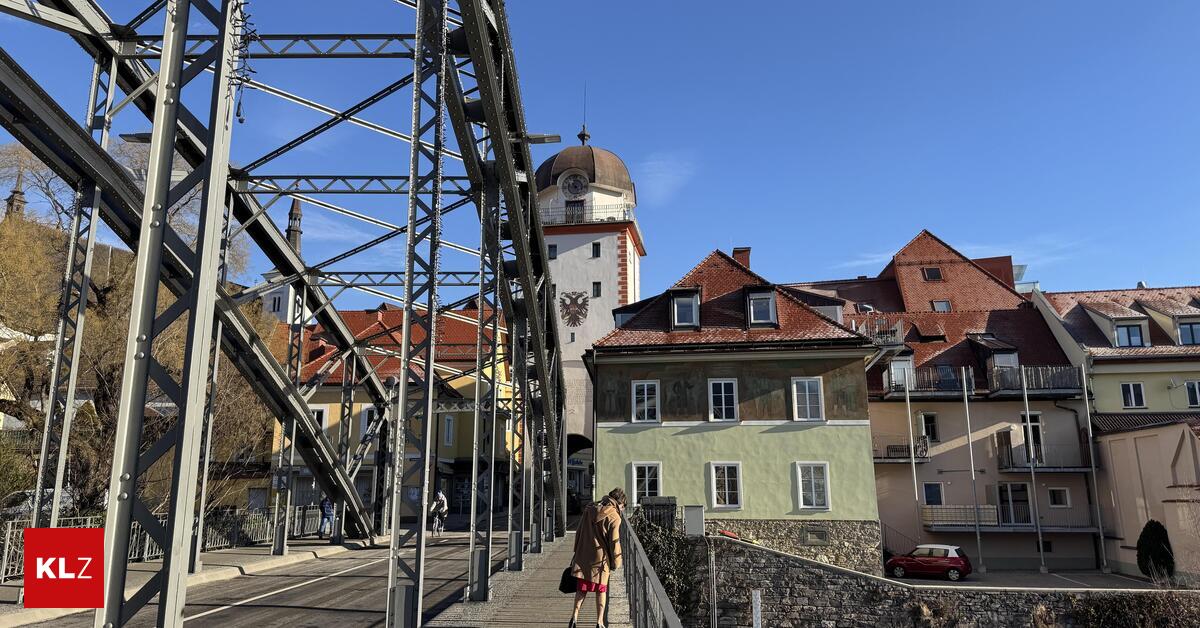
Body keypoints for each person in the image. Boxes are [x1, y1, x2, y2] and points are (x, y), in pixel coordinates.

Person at [568, 488, 625, 628]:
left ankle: (574, 616)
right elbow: (614, 542)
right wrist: (616, 562)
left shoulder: (590, 509)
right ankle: (599, 622)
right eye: (623, 507)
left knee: (582, 588)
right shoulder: (615, 517)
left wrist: (576, 550)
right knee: (601, 589)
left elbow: (579, 531)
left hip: (584, 554)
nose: (622, 510)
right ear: (620, 504)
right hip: (600, 559)